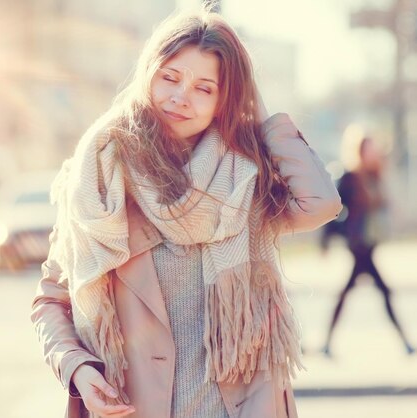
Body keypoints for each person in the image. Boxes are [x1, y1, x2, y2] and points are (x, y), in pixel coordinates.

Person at [31, 8, 342, 418]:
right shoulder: (100, 177)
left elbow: (320, 204)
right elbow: (52, 300)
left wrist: (263, 117)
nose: (181, 98)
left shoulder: (243, 177)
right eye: (170, 78)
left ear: (225, 100)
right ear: (149, 75)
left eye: (204, 88)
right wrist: (77, 368)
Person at [321, 135, 414, 357]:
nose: (373, 153)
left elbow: (383, 204)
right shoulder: (350, 177)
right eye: (368, 149)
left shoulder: (373, 176)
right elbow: (333, 208)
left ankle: (326, 343)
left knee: (347, 293)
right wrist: (326, 241)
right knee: (384, 291)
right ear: (359, 151)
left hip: (369, 243)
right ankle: (405, 342)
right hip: (358, 244)